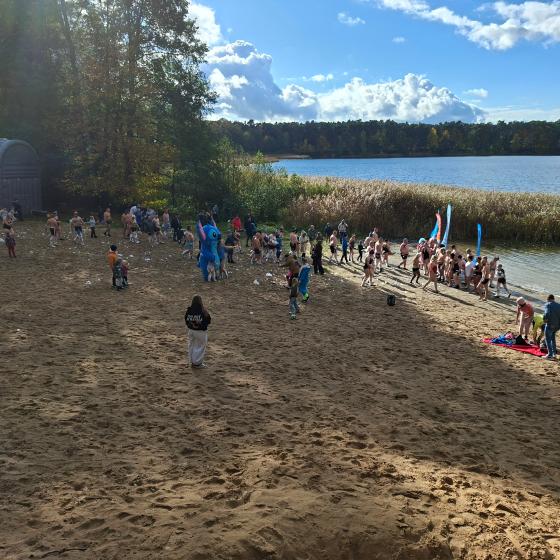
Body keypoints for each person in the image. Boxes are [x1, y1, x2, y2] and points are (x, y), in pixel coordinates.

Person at [185, 295, 211, 368]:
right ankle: (197, 363)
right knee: (200, 346)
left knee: (192, 345)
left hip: (191, 331)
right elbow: (208, 320)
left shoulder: (189, 310)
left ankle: (192, 361)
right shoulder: (203, 311)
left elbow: (186, 319)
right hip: (200, 332)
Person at [543, 294, 560, 360]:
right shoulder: (559, 305)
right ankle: (554, 354)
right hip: (557, 326)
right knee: (553, 339)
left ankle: (550, 355)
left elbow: (547, 313)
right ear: (553, 299)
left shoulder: (548, 304)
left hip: (550, 325)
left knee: (548, 339)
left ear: (548, 299)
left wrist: (545, 320)